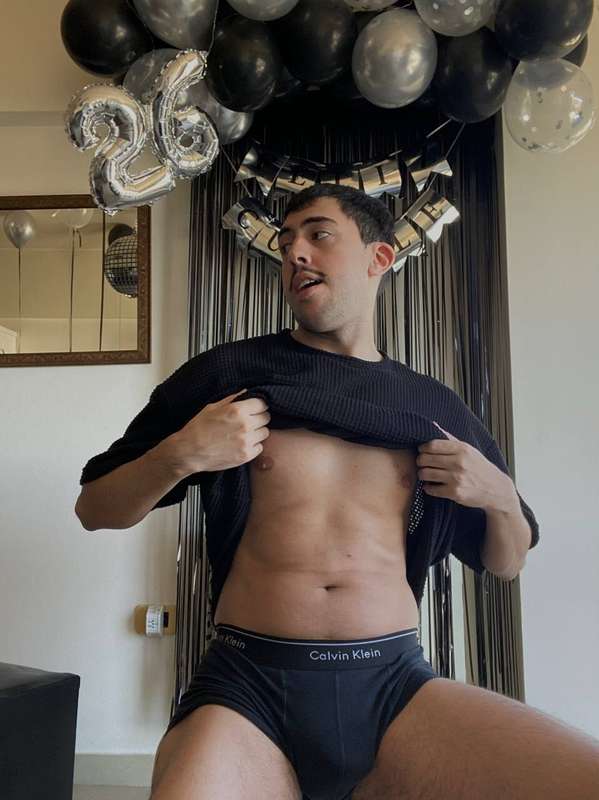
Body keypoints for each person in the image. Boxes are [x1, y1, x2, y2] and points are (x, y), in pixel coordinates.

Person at [75, 184, 599, 800]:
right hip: (249, 686)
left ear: (379, 258)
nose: (294, 252)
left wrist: (501, 496)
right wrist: (182, 453)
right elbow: (95, 508)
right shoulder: (226, 376)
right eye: (286, 244)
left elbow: (506, 563)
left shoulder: (430, 404)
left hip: (393, 687)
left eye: (318, 234)